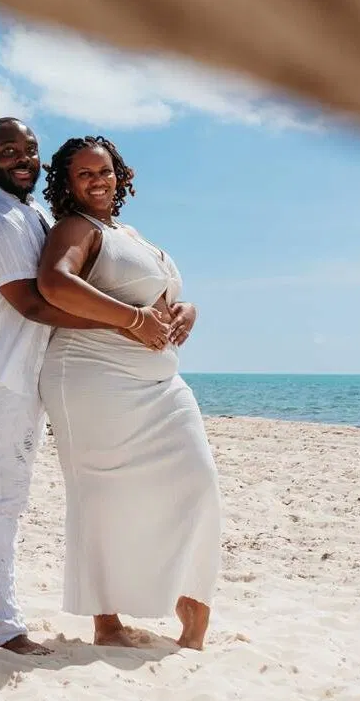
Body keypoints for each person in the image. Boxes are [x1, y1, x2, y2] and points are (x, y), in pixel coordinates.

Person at [0, 118, 170, 656]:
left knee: (8, 499)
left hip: (14, 372)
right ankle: (4, 629)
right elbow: (37, 303)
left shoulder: (28, 211)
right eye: (7, 150)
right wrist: (129, 323)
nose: (22, 158)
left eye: (30, 150)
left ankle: (2, 619)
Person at [36, 135, 222, 650]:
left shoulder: (131, 233)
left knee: (197, 481)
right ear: (68, 184)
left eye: (105, 170)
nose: (98, 180)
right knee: (100, 496)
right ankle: (107, 624)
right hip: (91, 376)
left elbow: (167, 295)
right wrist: (133, 319)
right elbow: (53, 282)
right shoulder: (76, 228)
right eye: (84, 174)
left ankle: (193, 618)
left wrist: (188, 310)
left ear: (120, 174)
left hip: (160, 381)